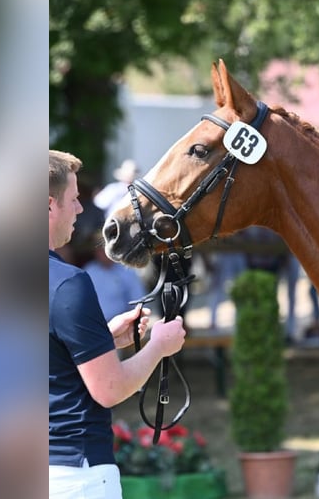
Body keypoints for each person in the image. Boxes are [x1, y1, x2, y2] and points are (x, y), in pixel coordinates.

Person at [49, 150, 186, 499]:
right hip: (74, 474)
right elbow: (109, 388)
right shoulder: (67, 284)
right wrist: (159, 345)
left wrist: (101, 340)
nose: (80, 209)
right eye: (74, 199)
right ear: (48, 206)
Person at [84, 235, 147, 321]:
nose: (101, 253)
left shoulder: (127, 270)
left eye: (103, 249)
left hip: (122, 321)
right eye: (98, 249)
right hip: (95, 324)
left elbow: (138, 300)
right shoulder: (89, 271)